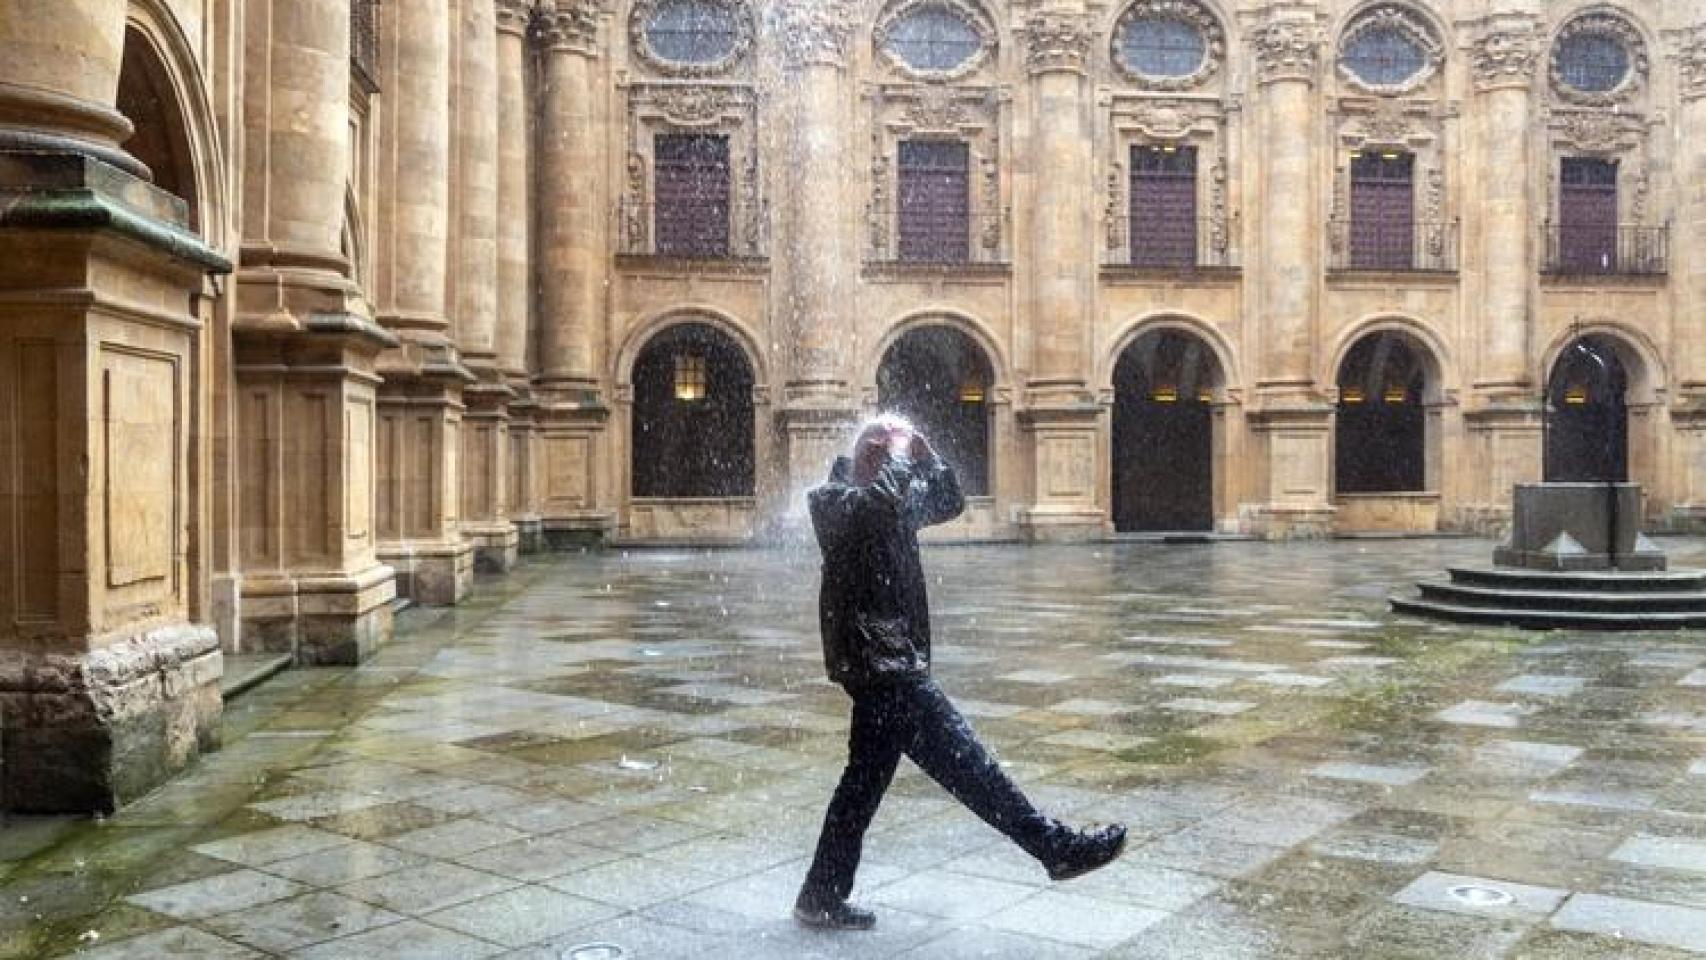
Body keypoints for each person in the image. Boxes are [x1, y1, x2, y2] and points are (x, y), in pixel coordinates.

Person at [794, 415, 1127, 930]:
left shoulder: (892, 498)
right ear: (874, 457)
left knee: (861, 785)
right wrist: (901, 455)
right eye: (892, 457)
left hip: (894, 663)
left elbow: (948, 501)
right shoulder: (836, 501)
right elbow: (880, 500)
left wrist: (927, 459)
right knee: (972, 767)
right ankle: (1053, 847)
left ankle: (820, 895)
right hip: (883, 670)